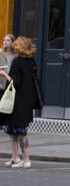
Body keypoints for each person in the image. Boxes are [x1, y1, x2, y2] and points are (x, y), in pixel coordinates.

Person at [0, 37, 43, 168]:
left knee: (19, 132)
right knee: (13, 130)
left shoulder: (17, 62)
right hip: (28, 99)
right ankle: (15, 157)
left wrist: (3, 74)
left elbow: (15, 82)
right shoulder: (31, 62)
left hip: (17, 101)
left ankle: (26, 160)